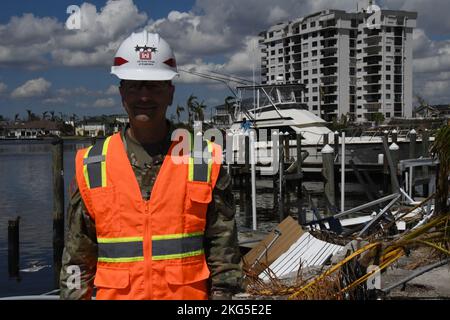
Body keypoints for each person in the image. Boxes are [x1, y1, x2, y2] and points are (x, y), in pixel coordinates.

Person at [60, 30, 243, 300]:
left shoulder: (203, 159)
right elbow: (76, 263)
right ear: (122, 93)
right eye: (134, 85)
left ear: (170, 93)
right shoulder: (92, 165)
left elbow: (225, 260)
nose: (144, 96)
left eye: (154, 85)